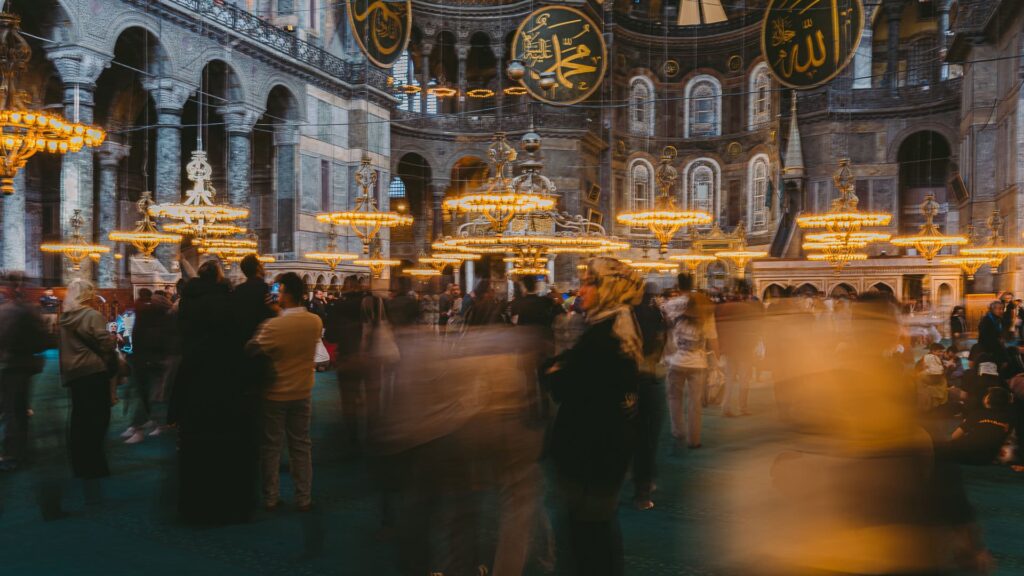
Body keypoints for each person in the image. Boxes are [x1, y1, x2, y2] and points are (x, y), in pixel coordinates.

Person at [542, 257, 643, 576]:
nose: (581, 289)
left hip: (592, 449)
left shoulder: (606, 335)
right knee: (595, 529)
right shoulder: (617, 324)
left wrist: (555, 371)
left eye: (590, 282)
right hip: (605, 446)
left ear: (610, 287)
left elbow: (565, 383)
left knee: (590, 537)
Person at [172, 260, 251, 524]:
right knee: (226, 443)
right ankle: (228, 506)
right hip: (225, 378)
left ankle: (195, 507)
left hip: (194, 376)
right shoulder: (229, 303)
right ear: (219, 278)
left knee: (196, 445)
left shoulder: (187, 303)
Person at [246, 272, 322, 512]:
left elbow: (250, 349)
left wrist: (275, 314)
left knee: (272, 448)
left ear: (286, 293)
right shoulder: (315, 321)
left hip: (275, 394)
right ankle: (304, 498)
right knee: (301, 446)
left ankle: (271, 497)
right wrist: (280, 312)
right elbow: (294, 327)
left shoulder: (273, 325)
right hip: (303, 392)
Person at [58, 279, 116, 479]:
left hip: (74, 372)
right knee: (99, 418)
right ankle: (95, 464)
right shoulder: (92, 315)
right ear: (87, 295)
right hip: (93, 370)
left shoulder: (65, 317)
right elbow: (105, 345)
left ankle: (80, 465)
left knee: (80, 419)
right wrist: (114, 338)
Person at [661, 273, 719, 451]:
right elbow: (712, 336)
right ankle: (694, 440)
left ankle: (678, 431)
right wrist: (716, 359)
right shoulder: (704, 305)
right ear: (693, 284)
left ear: (678, 286)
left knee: (674, 397)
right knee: (695, 403)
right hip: (698, 362)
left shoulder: (669, 305)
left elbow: (662, 327)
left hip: (675, 360)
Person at [0, 273, 49, 471]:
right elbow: (42, 339)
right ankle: (18, 452)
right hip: (22, 365)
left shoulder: (5, 311)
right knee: (17, 410)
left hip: (8, 364)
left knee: (11, 410)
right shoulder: (30, 310)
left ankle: (13, 453)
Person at [121, 288, 172, 444]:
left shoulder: (152, 317)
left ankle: (141, 427)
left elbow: (158, 340)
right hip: (145, 359)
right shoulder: (146, 315)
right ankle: (153, 423)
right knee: (149, 394)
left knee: (150, 395)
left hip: (151, 360)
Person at [936, 387, 1015, 465]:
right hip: (987, 458)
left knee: (935, 448)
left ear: (987, 400)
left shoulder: (978, 414)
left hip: (964, 452)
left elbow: (954, 436)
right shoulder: (1009, 419)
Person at [717, 282, 761, 417]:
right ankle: (743, 407)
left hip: (729, 347)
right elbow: (754, 328)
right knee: (744, 378)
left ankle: (726, 406)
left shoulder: (722, 308)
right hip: (745, 347)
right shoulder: (748, 308)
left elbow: (718, 328)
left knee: (729, 378)